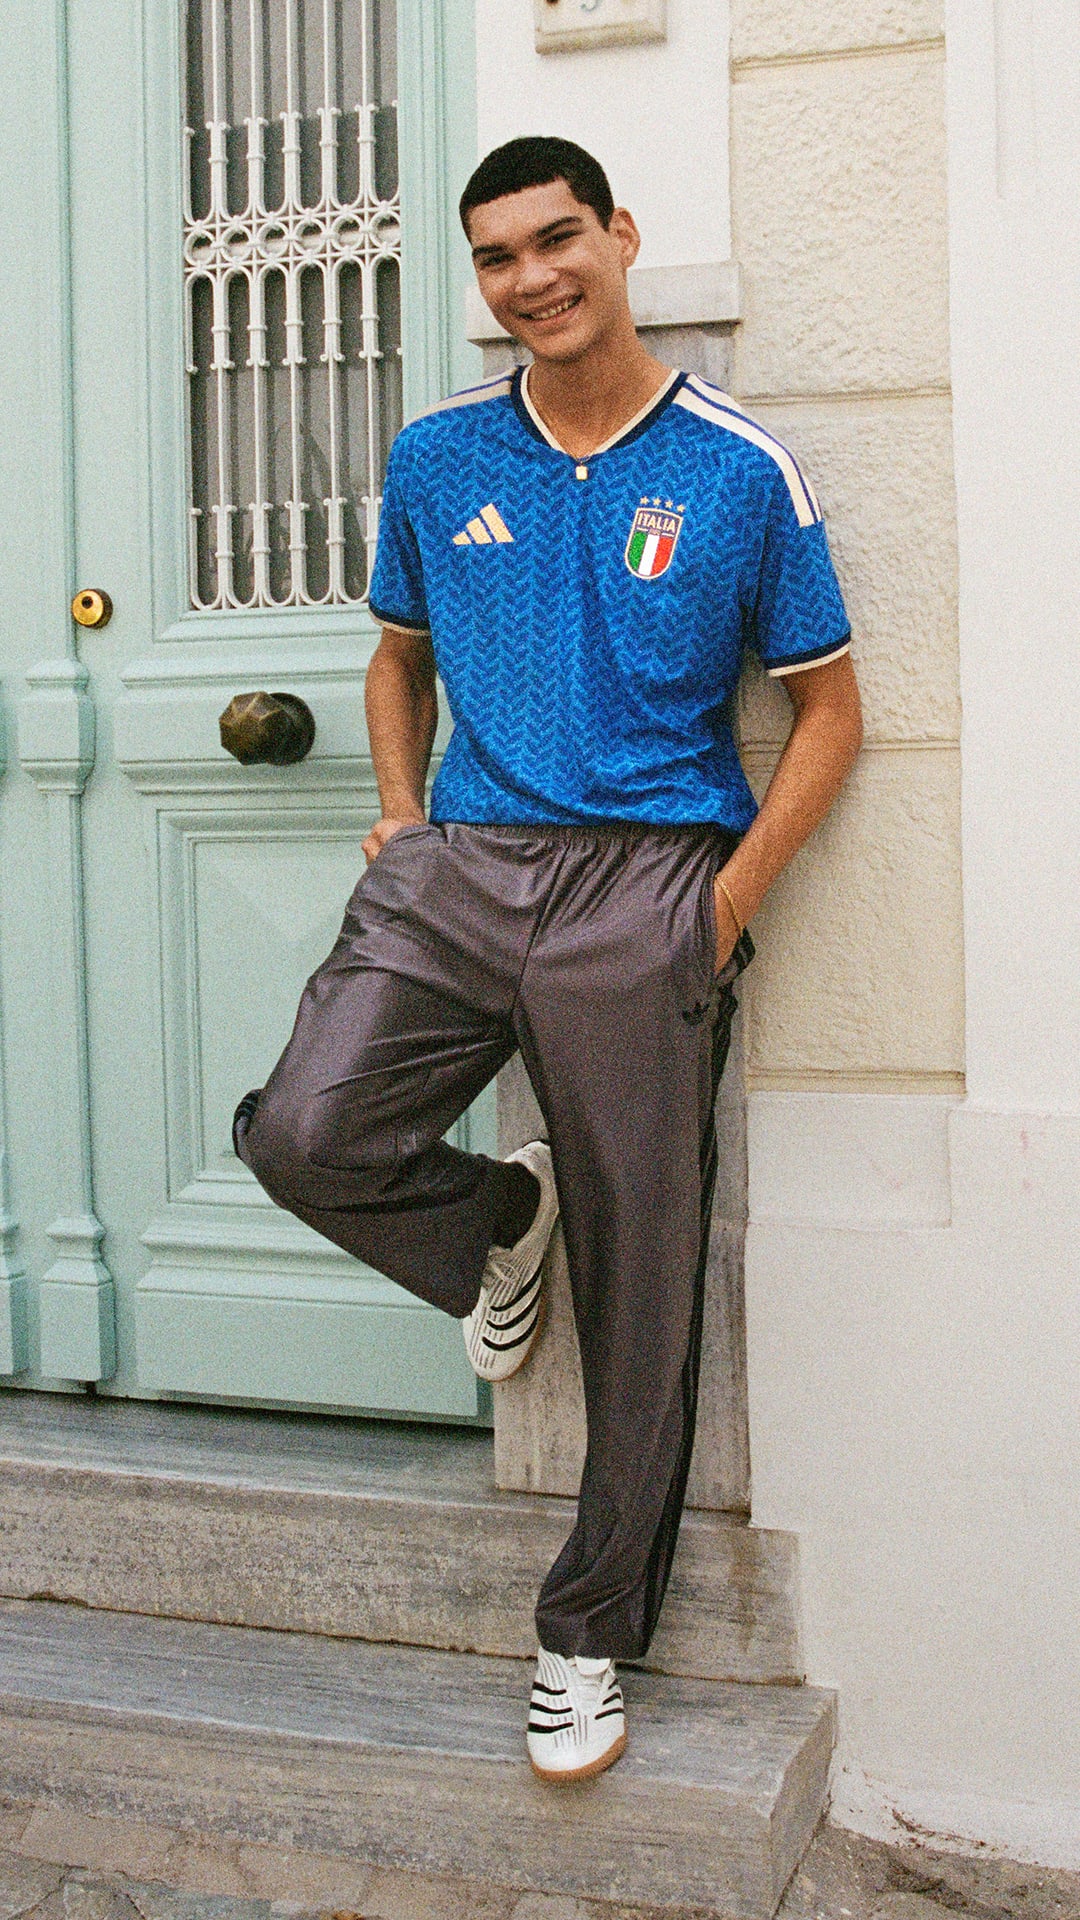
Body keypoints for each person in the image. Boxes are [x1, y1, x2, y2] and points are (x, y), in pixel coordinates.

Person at [234, 136, 862, 1786]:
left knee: (646, 1278)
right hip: (461, 870)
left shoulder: (739, 471)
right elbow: (396, 658)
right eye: (497, 256)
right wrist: (398, 820)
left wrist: (717, 910)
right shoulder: (439, 458)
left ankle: (586, 1641)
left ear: (619, 236)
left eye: (555, 238)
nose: (529, 278)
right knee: (304, 1131)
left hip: (647, 883)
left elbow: (832, 714)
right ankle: (495, 1222)